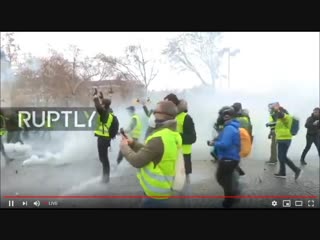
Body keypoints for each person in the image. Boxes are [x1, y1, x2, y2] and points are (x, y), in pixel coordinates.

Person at [119, 101, 182, 208]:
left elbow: (137, 161)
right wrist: (133, 143)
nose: (152, 114)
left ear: (163, 115)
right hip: (164, 189)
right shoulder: (171, 134)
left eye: (154, 111)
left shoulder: (158, 138)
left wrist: (124, 147)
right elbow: (151, 152)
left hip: (155, 194)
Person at [212, 106, 241, 208]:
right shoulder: (232, 127)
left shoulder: (229, 128)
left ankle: (230, 199)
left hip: (228, 158)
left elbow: (225, 144)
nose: (224, 117)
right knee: (226, 179)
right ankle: (231, 196)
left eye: (226, 116)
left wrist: (214, 143)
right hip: (231, 157)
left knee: (221, 178)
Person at [164, 94, 196, 184]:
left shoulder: (186, 117)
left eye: (167, 104)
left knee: (184, 186)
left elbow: (192, 138)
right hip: (171, 155)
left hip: (183, 155)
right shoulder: (170, 117)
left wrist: (175, 136)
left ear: (174, 103)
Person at [93, 92, 119, 183]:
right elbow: (105, 105)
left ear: (103, 105)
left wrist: (95, 97)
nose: (101, 105)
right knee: (104, 158)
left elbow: (98, 107)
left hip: (102, 139)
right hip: (106, 139)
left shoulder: (104, 113)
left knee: (103, 159)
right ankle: (105, 177)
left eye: (102, 103)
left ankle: (105, 178)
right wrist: (102, 98)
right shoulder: (109, 112)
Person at [271, 104, 302, 179]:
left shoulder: (286, 117)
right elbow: (279, 126)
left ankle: (296, 170)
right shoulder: (280, 119)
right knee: (281, 156)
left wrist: (276, 109)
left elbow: (281, 115)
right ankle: (282, 172)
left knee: (282, 157)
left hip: (285, 139)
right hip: (281, 139)